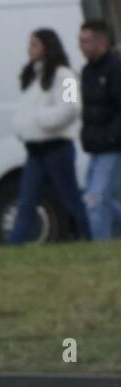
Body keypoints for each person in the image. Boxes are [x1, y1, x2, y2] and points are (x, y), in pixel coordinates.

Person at [7, 28, 91, 244]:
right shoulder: (34, 76)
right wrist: (22, 126)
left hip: (57, 148)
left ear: (47, 46)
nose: (30, 49)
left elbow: (73, 107)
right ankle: (14, 245)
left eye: (35, 44)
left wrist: (43, 120)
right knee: (26, 201)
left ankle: (93, 235)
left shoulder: (66, 75)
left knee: (71, 199)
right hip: (36, 150)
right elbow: (26, 110)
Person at [78, 19, 121, 240]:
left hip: (112, 147)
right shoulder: (86, 72)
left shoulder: (114, 69)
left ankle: (101, 248)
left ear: (101, 42)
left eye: (85, 41)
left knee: (96, 198)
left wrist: (111, 136)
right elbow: (78, 106)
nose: (80, 46)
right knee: (100, 200)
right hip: (95, 146)